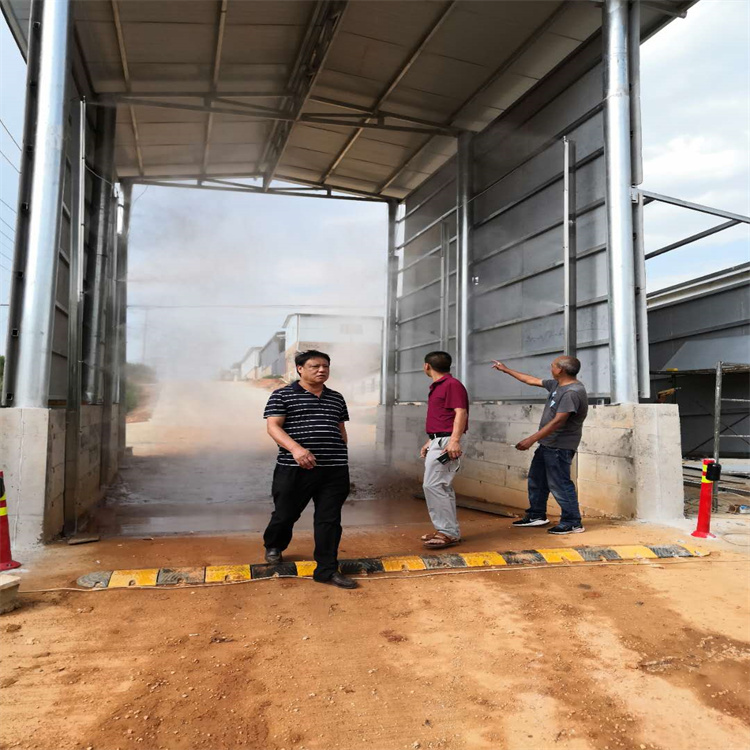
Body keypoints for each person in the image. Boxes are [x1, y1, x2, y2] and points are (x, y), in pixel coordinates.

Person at [262, 350, 357, 589]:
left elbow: (340, 429)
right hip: (294, 468)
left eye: (325, 366)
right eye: (315, 366)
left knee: (329, 520)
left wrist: (340, 453)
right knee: (286, 513)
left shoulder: (336, 397)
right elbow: (273, 427)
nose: (321, 370)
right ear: (300, 369)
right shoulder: (282, 395)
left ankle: (326, 570)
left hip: (334, 470)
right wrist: (296, 449)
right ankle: (274, 545)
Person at [492, 356, 588, 535]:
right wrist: (506, 369)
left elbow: (558, 422)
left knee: (560, 484)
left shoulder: (572, 392)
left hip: (559, 446)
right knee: (537, 480)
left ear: (560, 370)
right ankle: (536, 515)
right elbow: (530, 380)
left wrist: (531, 439)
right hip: (548, 444)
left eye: (553, 365)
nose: (550, 367)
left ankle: (573, 521)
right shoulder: (557, 385)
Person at [419, 351, 469, 549]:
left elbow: (460, 412)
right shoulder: (440, 386)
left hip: (447, 442)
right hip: (439, 441)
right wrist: (430, 441)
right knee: (440, 486)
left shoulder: (452, 385)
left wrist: (454, 440)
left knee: (433, 485)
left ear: (426, 366)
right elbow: (443, 419)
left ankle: (447, 532)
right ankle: (446, 530)